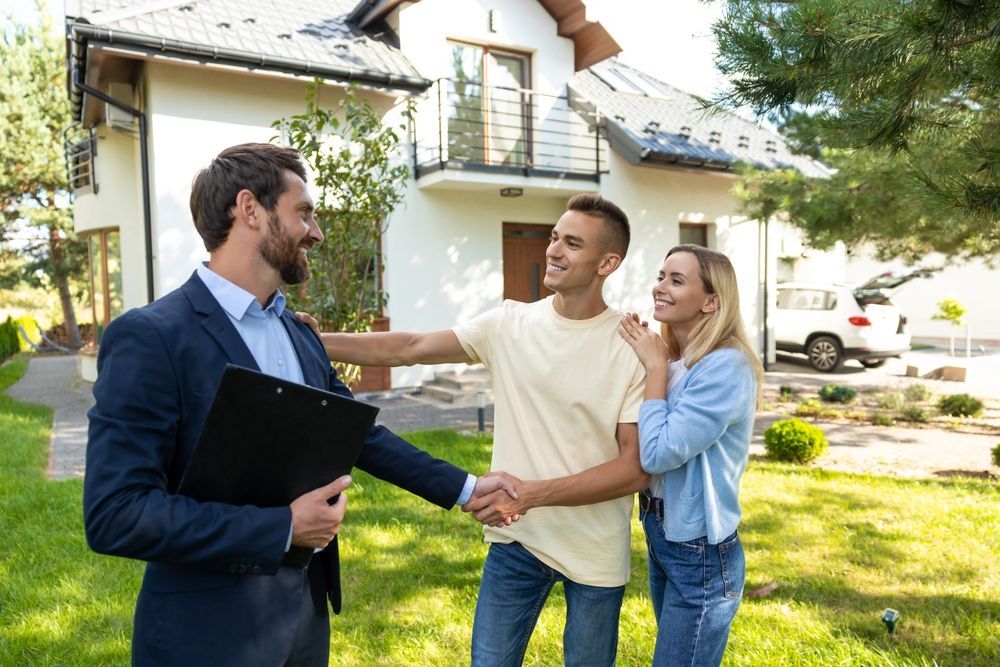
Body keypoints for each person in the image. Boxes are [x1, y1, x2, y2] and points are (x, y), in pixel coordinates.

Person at [83, 143, 512, 667]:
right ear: (249, 209)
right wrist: (283, 528)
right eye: (303, 212)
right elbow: (116, 514)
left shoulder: (299, 332)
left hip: (305, 620)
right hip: (206, 634)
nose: (317, 231)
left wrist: (466, 489)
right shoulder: (151, 337)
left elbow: (359, 434)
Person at [303, 193, 649, 666]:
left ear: (608, 262)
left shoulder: (631, 346)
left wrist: (529, 494)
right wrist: (309, 340)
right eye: (553, 237)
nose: (553, 250)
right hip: (516, 540)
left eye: (572, 243)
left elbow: (634, 470)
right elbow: (410, 346)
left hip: (595, 549)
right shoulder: (509, 324)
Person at [617, 244, 763, 667]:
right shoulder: (678, 360)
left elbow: (659, 454)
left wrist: (654, 369)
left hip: (699, 548)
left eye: (676, 280)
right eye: (661, 276)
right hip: (663, 532)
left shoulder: (725, 367)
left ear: (712, 300)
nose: (660, 287)